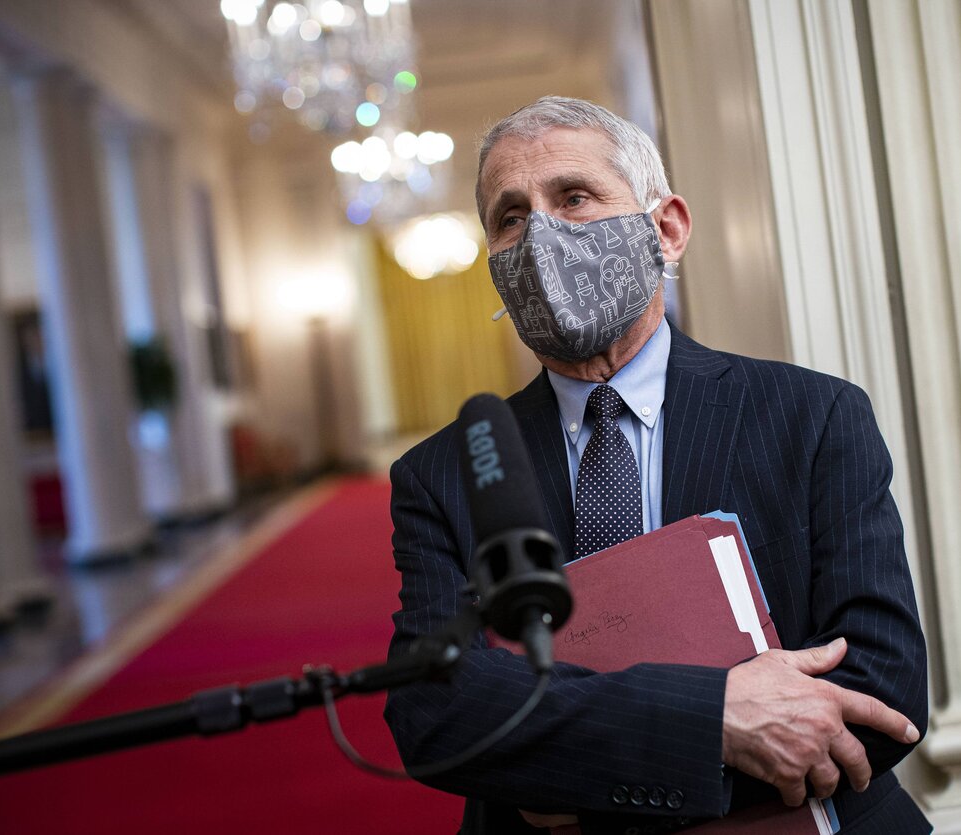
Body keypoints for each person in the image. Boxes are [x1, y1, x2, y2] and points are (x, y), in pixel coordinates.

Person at [384, 96, 930, 834]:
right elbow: (438, 714)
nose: (540, 234)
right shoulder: (444, 471)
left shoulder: (813, 416)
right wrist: (714, 720)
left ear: (665, 228)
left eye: (573, 197)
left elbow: (883, 690)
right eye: (510, 217)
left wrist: (571, 778)